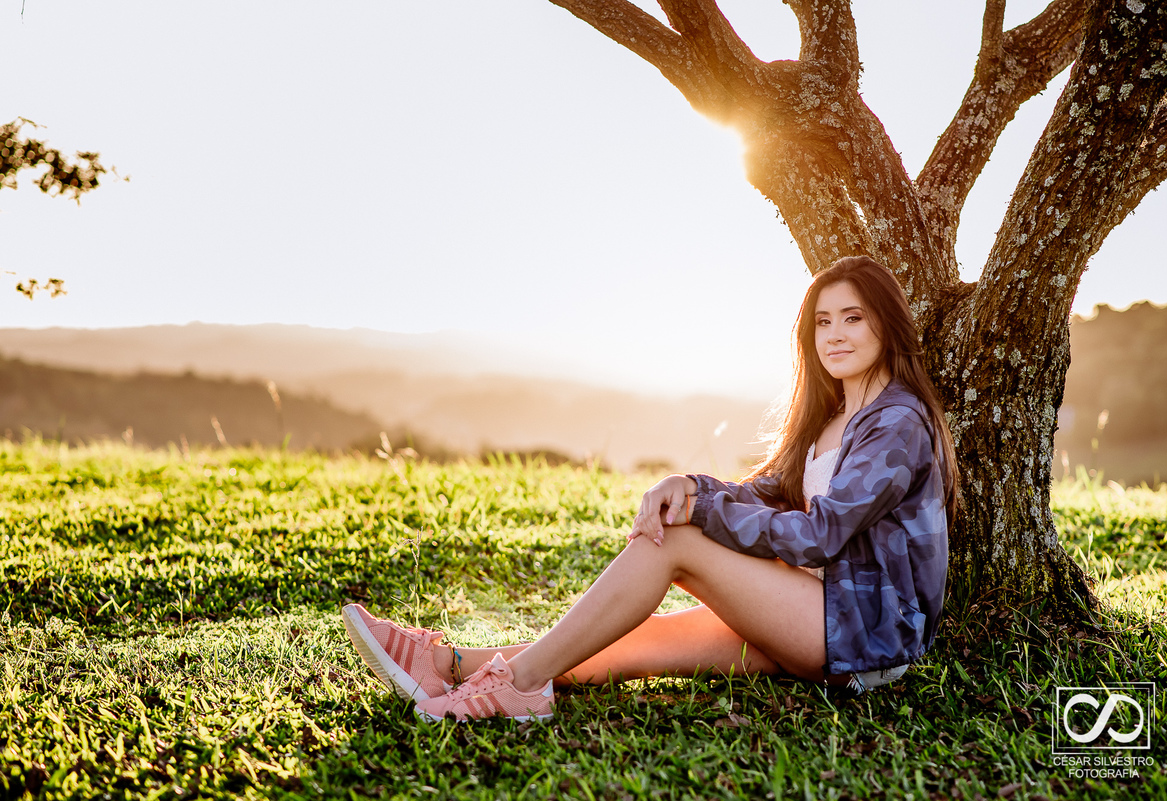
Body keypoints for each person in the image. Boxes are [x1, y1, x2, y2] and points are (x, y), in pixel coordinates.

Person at [342, 255, 959, 722]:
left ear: (886, 323)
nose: (835, 334)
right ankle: (448, 666)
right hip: (813, 612)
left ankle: (520, 687)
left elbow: (821, 535)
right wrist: (689, 484)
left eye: (853, 317)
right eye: (823, 321)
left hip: (867, 634)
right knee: (635, 642)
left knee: (675, 542)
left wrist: (700, 510)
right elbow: (769, 492)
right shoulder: (832, 418)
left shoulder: (897, 422)